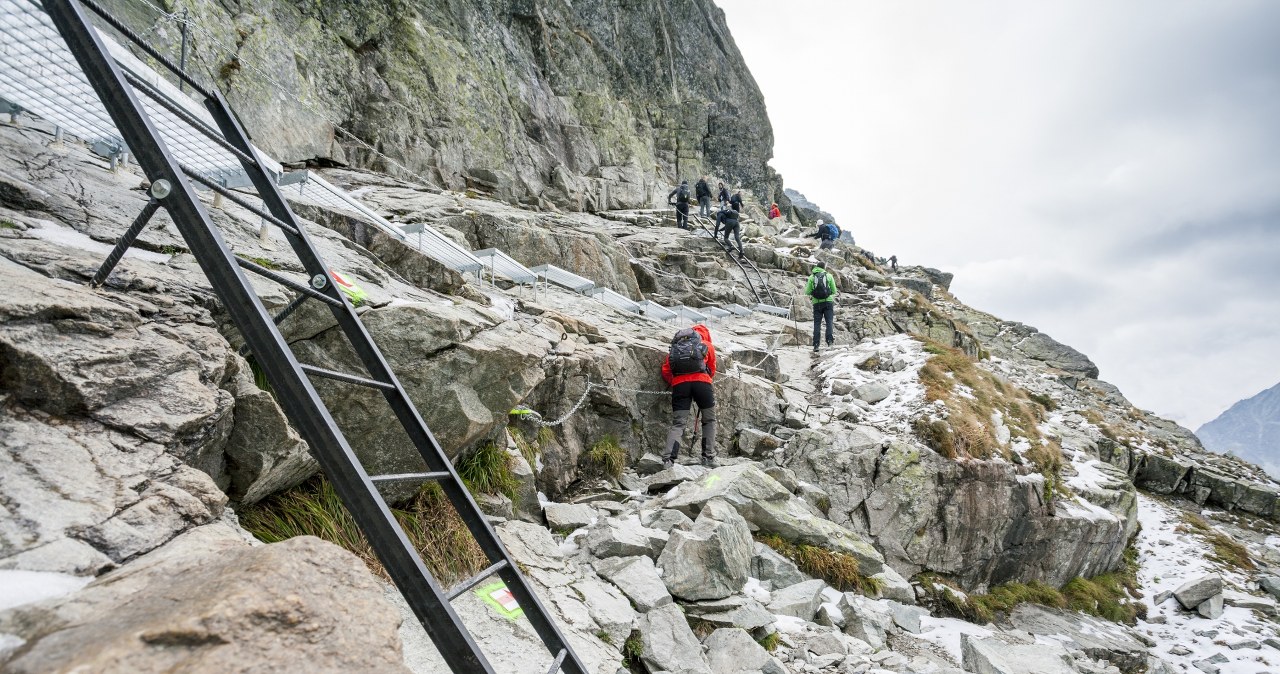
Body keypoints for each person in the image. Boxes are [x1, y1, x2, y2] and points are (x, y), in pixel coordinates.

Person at [661, 324, 718, 468]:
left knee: (678, 423)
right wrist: (703, 378)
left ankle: (668, 460)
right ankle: (708, 457)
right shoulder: (707, 345)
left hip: (680, 385)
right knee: (709, 420)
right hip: (702, 384)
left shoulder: (676, 347)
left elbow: (666, 370)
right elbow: (712, 369)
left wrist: (676, 382)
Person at [805, 264, 837, 352]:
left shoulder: (812, 277)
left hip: (817, 303)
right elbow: (834, 290)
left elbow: (807, 291)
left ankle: (816, 345)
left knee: (817, 324)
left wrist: (814, 293)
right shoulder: (829, 275)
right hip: (828, 302)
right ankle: (830, 342)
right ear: (824, 268)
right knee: (829, 322)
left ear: (816, 267)